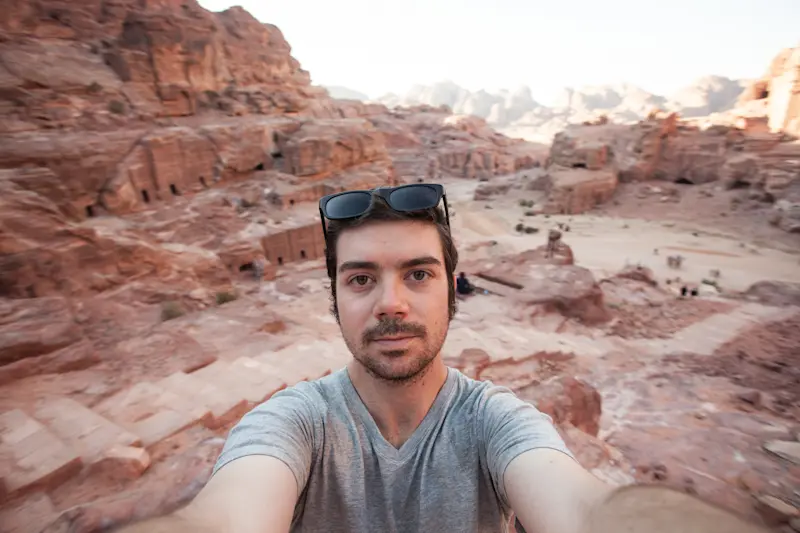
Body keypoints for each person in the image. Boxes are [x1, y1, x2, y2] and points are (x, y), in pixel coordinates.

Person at [118, 184, 766, 533]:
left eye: (418, 274)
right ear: (334, 299)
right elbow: (227, 515)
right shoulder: (291, 423)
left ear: (454, 291)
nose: (391, 303)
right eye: (361, 279)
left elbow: (582, 509)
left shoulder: (497, 422)